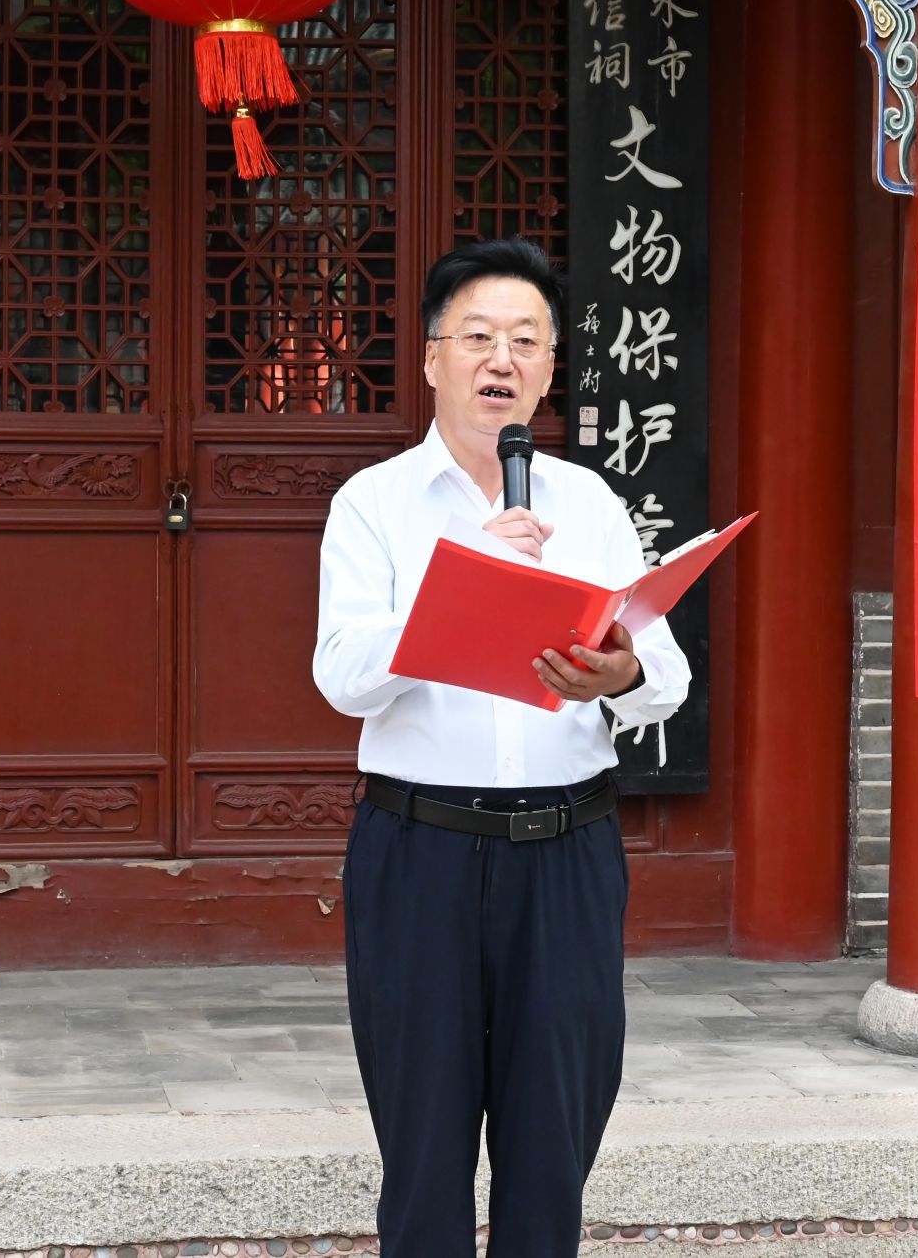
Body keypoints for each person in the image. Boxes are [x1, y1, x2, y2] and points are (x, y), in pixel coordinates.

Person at [312, 237, 689, 1257]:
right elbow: (342, 676)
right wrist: (463, 582)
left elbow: (666, 673)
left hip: (567, 856)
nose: (501, 360)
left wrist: (620, 675)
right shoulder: (373, 503)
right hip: (420, 852)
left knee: (553, 1141)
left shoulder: (587, 503)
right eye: (477, 336)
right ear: (430, 358)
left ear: (549, 368)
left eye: (526, 340)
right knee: (423, 1144)